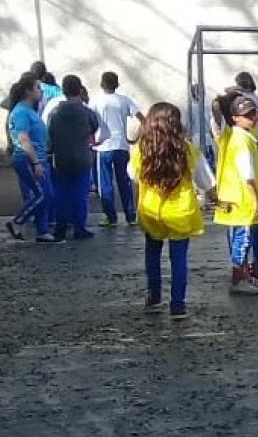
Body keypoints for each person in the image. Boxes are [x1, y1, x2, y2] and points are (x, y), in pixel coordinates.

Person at [129, 102, 217, 319]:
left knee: (152, 255)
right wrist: (218, 200)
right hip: (180, 210)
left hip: (151, 210)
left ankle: (154, 297)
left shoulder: (141, 150)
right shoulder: (187, 150)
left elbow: (133, 177)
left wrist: (136, 205)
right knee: (178, 259)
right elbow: (206, 181)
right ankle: (177, 305)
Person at [212, 92, 258, 295]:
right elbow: (248, 174)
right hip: (242, 199)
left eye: (254, 114)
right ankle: (238, 279)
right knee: (242, 241)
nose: (252, 118)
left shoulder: (242, 136)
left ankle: (244, 274)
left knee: (240, 240)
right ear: (235, 117)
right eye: (247, 115)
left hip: (232, 198)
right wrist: (256, 200)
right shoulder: (236, 137)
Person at [5, 73, 61, 243]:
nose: (41, 91)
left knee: (45, 194)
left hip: (39, 157)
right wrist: (35, 162)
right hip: (28, 158)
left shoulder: (30, 110)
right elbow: (23, 139)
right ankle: (16, 222)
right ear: (28, 91)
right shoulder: (21, 112)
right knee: (44, 195)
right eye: (38, 87)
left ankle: (43, 231)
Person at [47, 75, 100, 241]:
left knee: (61, 194)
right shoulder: (87, 113)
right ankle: (79, 227)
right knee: (80, 194)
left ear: (63, 91)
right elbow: (94, 127)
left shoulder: (54, 113)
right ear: (79, 90)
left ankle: (60, 227)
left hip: (61, 157)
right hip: (82, 156)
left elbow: (50, 134)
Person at [90, 71, 145, 227]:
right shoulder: (125, 100)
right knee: (124, 181)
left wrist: (91, 139)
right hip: (121, 145)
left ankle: (110, 216)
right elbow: (142, 119)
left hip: (103, 146)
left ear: (102, 84)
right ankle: (130, 215)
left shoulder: (95, 101)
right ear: (117, 84)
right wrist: (135, 138)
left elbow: (89, 120)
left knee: (105, 184)